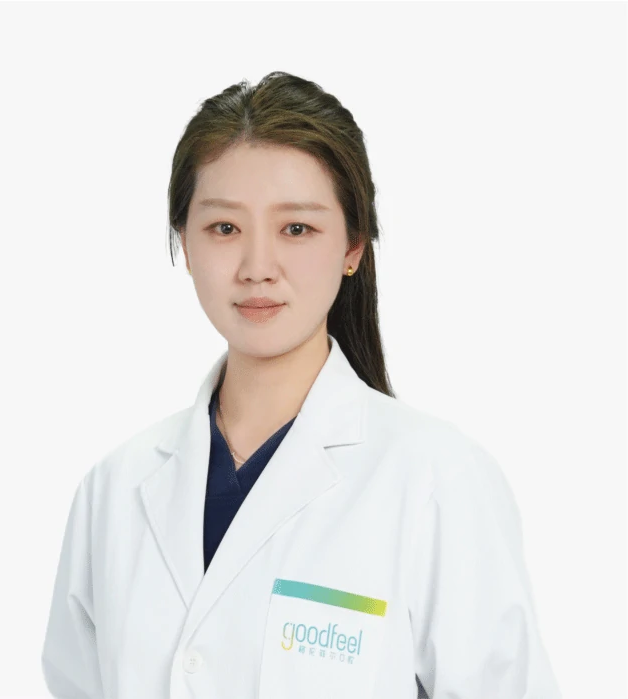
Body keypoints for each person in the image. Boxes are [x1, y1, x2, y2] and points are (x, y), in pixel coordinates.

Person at [41, 71, 562, 699]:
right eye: (224, 228)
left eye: (296, 229)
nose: (257, 268)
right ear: (184, 242)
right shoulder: (113, 491)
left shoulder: (436, 480)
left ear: (353, 246)